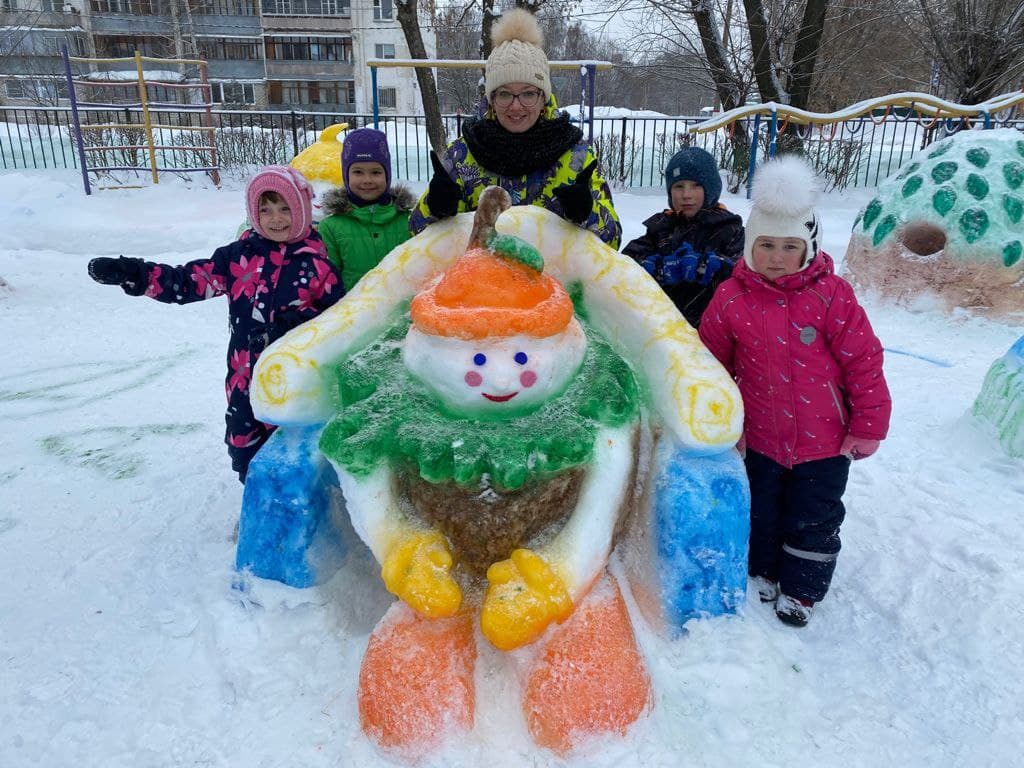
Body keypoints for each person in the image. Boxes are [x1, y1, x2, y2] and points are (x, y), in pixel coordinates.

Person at [698, 156, 892, 627]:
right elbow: (711, 363)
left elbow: (863, 363)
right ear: (749, 246)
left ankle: (802, 590)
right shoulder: (731, 298)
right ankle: (762, 570)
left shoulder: (833, 297)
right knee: (762, 509)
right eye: (766, 245)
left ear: (810, 246)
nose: (777, 257)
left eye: (790, 246)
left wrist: (868, 425)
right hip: (761, 436)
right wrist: (719, 421)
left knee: (814, 517)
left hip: (824, 442)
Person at [86, 165, 343, 483]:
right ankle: (253, 507)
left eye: (285, 208)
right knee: (246, 448)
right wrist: (136, 274)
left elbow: (336, 325)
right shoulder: (236, 259)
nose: (276, 218)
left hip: (295, 383)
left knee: (293, 453)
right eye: (265, 209)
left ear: (302, 210)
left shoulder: (318, 267)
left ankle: (293, 515)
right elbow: (187, 282)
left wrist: (300, 323)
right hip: (243, 378)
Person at [409, 8, 622, 248]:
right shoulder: (462, 156)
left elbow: (613, 241)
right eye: (504, 94)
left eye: (528, 93)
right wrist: (435, 207)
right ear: (491, 99)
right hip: (477, 283)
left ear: (543, 98)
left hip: (554, 283)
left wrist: (587, 212)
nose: (516, 106)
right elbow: (417, 234)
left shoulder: (575, 157)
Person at [622, 146, 744, 327]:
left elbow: (745, 276)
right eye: (679, 186)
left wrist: (716, 267)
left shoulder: (729, 229)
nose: (686, 195)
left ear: (710, 189)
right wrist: (650, 266)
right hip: (662, 331)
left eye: (696, 186)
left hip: (712, 333)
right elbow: (623, 264)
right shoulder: (661, 228)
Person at [317, 127, 415, 291]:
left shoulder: (409, 219)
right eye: (358, 172)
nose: (367, 180)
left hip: (401, 311)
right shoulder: (330, 227)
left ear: (387, 174)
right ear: (346, 175)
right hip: (354, 313)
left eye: (376, 172)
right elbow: (328, 280)